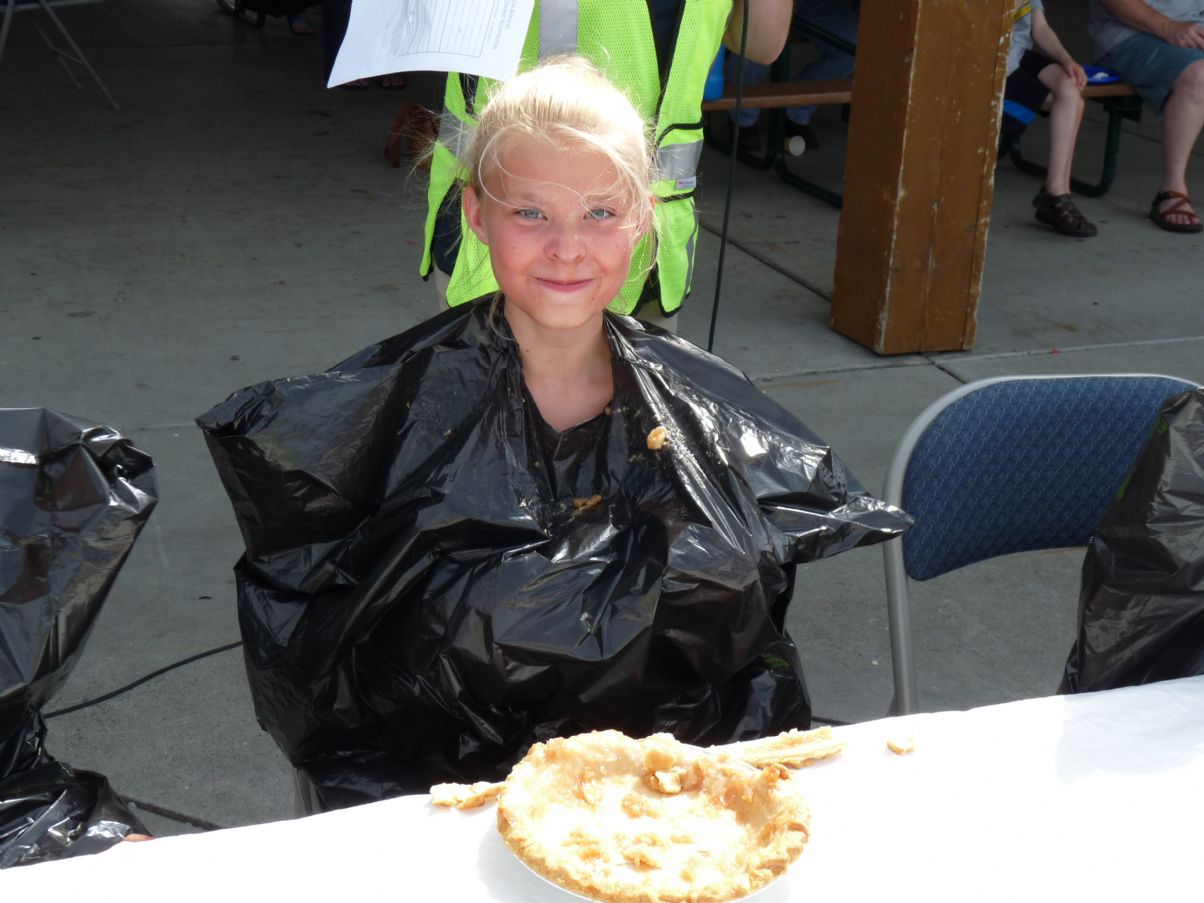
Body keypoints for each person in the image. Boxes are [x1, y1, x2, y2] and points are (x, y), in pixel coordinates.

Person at [199, 57, 907, 813]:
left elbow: (747, 646)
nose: (568, 247)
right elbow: (319, 662)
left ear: (642, 218)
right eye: (531, 213)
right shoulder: (394, 420)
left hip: (669, 811)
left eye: (601, 213)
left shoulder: (702, 415)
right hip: (452, 809)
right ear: (476, 214)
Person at [421, 0, 793, 331]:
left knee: (632, 405)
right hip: (502, 244)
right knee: (486, 397)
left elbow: (760, 42)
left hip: (647, 246)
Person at [1089, 0, 1204, 232]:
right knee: (1199, 75)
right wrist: (1169, 28)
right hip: (1128, 34)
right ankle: (1172, 189)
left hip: (1194, 27)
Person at [1002, 1, 1098, 238]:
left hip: (1018, 54)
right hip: (996, 64)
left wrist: (1066, 60)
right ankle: (1057, 196)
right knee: (1072, 103)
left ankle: (1056, 192)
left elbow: (1040, 27)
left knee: (1070, 88)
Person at [724, 0, 859, 154]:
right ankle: (742, 119)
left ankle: (795, 112)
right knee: (757, 34)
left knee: (858, 40)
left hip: (810, 5)